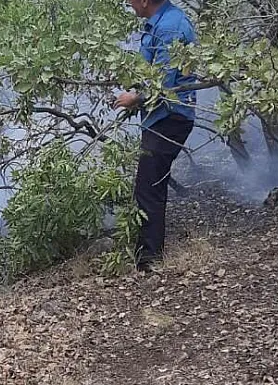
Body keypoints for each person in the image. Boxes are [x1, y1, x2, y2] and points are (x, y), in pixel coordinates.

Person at [114, 0, 197, 270]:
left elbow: (163, 82)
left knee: (148, 188)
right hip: (160, 117)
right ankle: (148, 256)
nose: (128, 3)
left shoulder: (170, 27)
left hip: (170, 118)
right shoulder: (160, 23)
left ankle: (149, 261)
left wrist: (134, 98)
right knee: (150, 186)